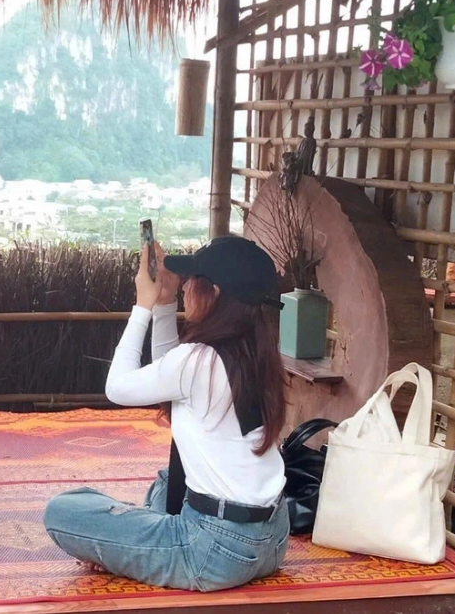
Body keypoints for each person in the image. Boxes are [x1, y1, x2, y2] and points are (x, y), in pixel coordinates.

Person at [42, 236, 289, 592]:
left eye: (192, 282)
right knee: (167, 480)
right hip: (271, 540)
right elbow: (168, 376)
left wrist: (142, 304)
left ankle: (127, 542)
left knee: (63, 511)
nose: (186, 287)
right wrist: (165, 303)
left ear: (214, 292)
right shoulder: (259, 353)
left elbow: (118, 387)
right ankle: (133, 537)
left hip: (213, 551)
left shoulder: (197, 360)